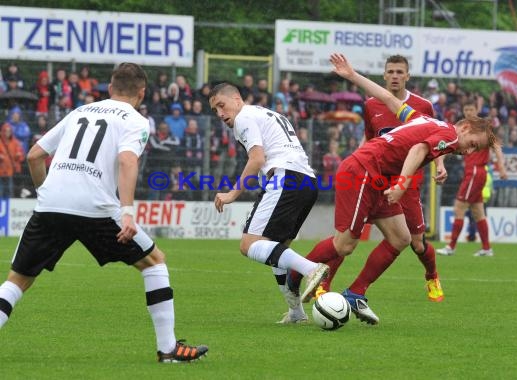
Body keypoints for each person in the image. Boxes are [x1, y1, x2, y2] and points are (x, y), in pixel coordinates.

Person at [0, 63, 208, 362]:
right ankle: (168, 349)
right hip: (95, 207)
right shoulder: (136, 120)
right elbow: (127, 161)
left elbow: (35, 155)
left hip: (51, 204)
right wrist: (127, 212)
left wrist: (45, 192)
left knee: (17, 281)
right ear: (142, 92)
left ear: (109, 89)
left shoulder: (79, 112)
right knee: (154, 263)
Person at [288, 53, 497, 325]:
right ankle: (294, 274)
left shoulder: (427, 120)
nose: (469, 150)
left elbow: (389, 100)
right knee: (345, 244)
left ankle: (355, 293)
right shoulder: (448, 135)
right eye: (473, 143)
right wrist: (401, 184)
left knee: (401, 238)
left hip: (377, 177)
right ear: (465, 127)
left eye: (476, 149)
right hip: (364, 170)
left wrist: (353, 76)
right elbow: (418, 149)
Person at [303, 54, 447, 303]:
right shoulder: (372, 105)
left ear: (407, 76)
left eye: (399, 72)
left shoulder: (422, 106)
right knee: (348, 236)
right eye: (390, 71)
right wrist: (357, 162)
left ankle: (431, 275)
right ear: (384, 75)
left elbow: (434, 140)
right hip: (376, 177)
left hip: (407, 182)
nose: (394, 76)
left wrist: (440, 165)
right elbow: (371, 139)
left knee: (416, 243)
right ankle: (323, 285)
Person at [208, 83, 329, 324]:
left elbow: (257, 158)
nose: (220, 114)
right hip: (307, 181)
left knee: (249, 245)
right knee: (277, 249)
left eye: (221, 106)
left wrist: (232, 193)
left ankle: (311, 269)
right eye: (215, 111)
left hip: (285, 177)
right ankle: (296, 313)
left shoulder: (244, 117)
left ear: (236, 98)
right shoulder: (267, 113)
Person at [436, 100, 508, 257]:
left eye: (471, 109)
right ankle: (487, 248)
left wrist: (501, 167)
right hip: (473, 172)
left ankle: (451, 247)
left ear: (477, 110)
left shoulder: (481, 127)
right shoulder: (462, 127)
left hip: (475, 172)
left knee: (458, 208)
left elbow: (496, 145)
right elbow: (451, 145)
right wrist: (441, 159)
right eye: (466, 108)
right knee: (478, 211)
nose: (468, 112)